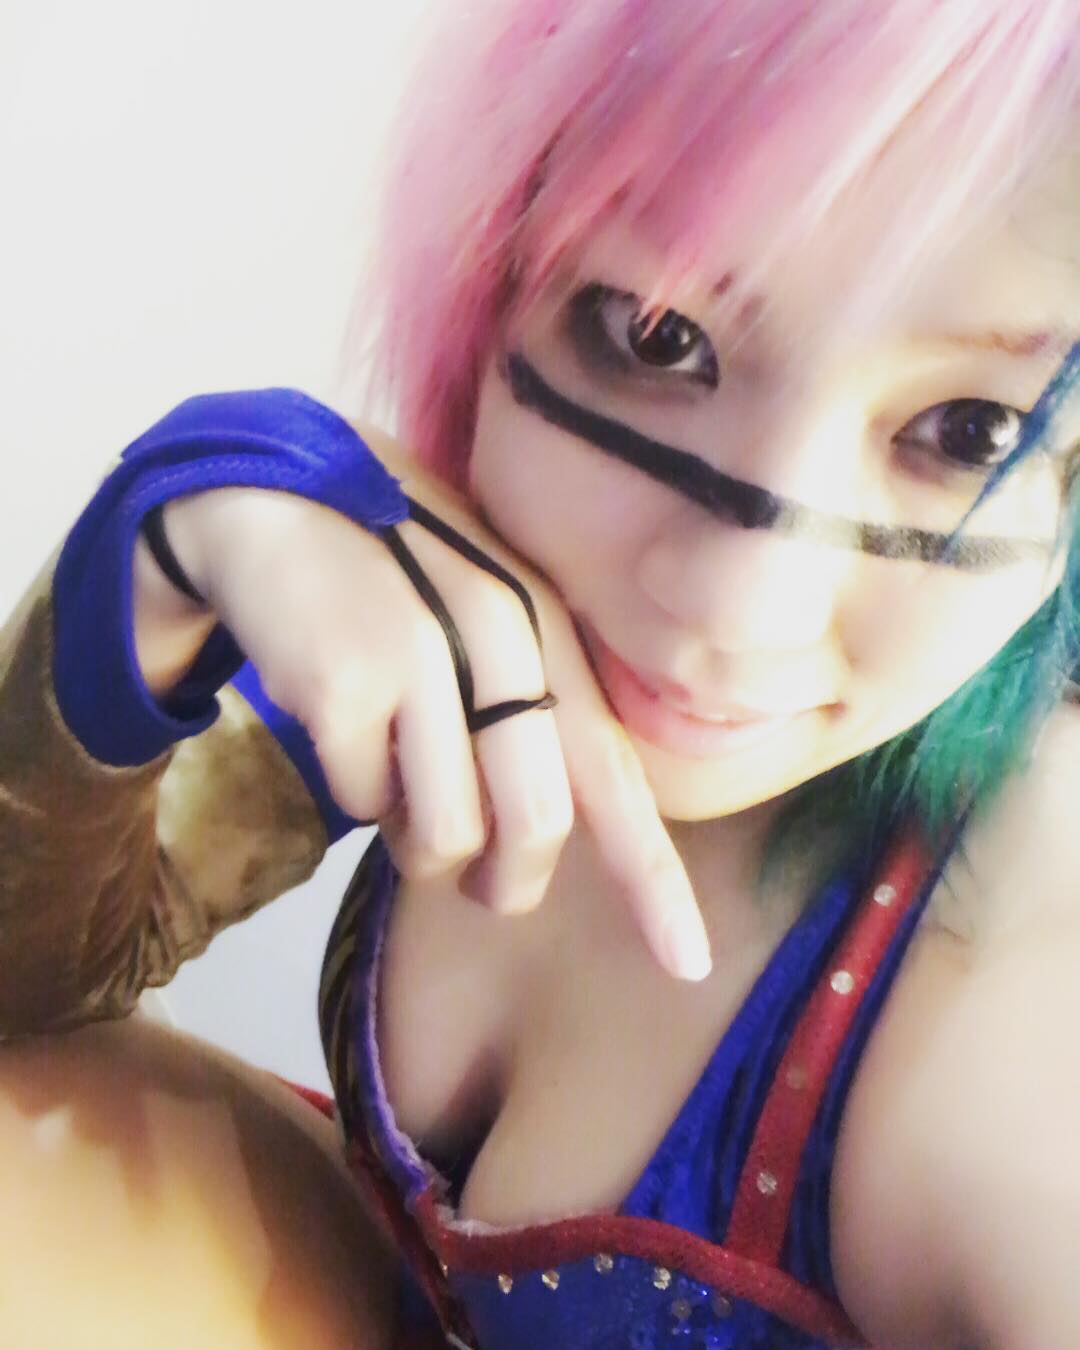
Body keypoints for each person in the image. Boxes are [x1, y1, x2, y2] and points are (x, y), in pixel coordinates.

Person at [2, 0, 1079, 1346]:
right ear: (491, 265)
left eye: (972, 431)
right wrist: (151, 560)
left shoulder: (1016, 962)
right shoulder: (447, 624)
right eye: (656, 333)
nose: (737, 606)